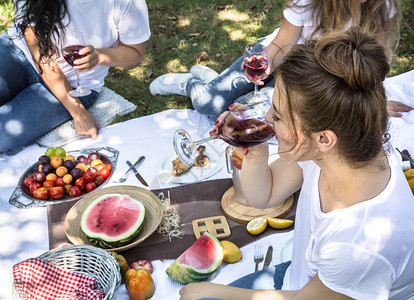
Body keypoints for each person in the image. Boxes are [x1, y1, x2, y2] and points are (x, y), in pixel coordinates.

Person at [179, 27, 414, 300]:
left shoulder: (358, 246)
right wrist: (256, 151)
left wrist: (211, 292)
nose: (267, 116)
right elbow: (263, 195)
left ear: (324, 138)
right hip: (306, 279)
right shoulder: (341, 147)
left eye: (278, 115)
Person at [150, 0, 412, 120]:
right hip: (278, 56)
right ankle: (193, 85)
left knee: (243, 113)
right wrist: (264, 64)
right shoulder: (307, 2)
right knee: (208, 105)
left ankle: (212, 81)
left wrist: (372, 103)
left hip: (310, 78)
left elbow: (372, 66)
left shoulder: (382, 8)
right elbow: (281, 45)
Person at [0, 0, 150, 152]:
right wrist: (78, 112)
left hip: (76, 84)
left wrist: (100, 56)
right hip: (18, 51)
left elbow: (135, 51)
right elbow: (41, 55)